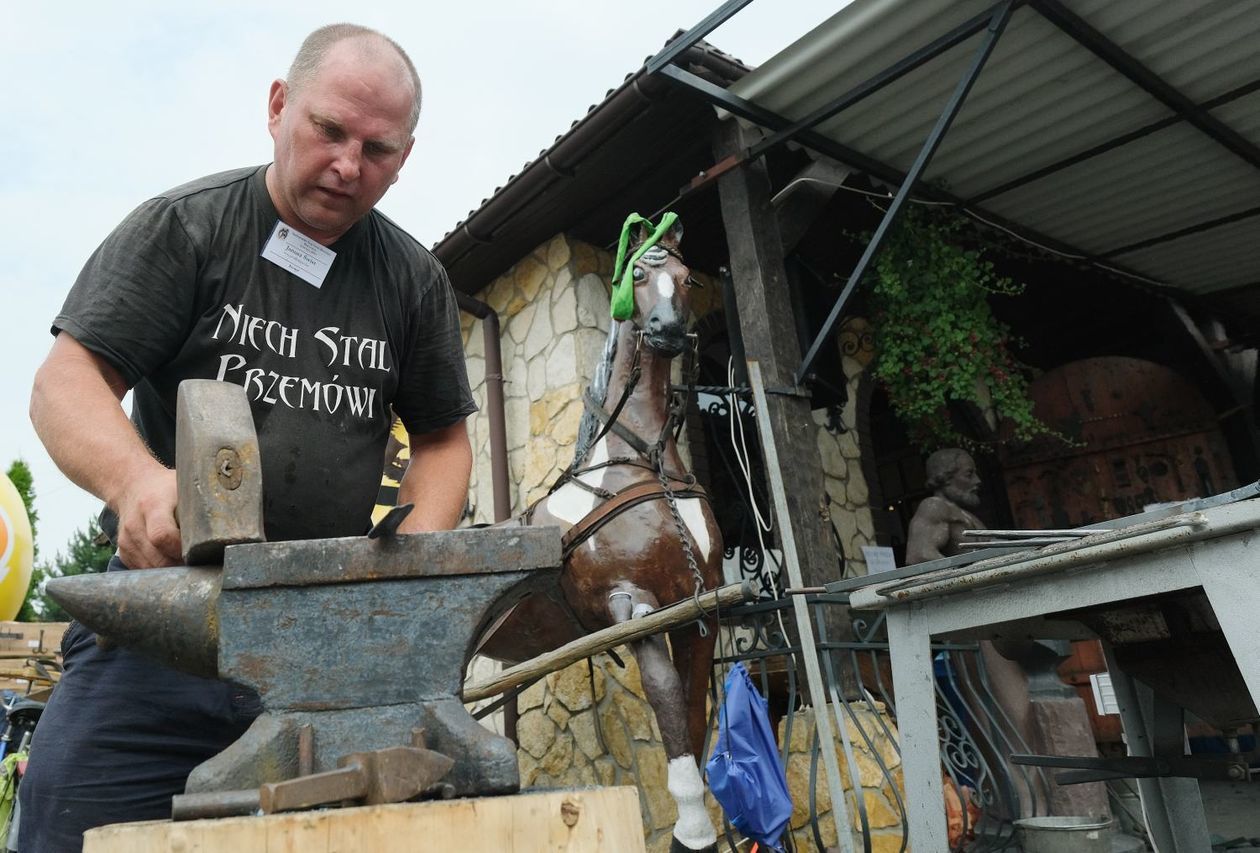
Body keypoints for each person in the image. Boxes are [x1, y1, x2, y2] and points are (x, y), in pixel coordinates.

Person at [22, 23, 475, 851]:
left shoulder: (414, 283)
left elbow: (444, 439)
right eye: (329, 131)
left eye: (376, 149)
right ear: (278, 107)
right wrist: (134, 482)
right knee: (63, 821)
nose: (347, 165)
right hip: (166, 619)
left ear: (405, 158)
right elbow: (67, 381)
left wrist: (411, 568)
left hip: (325, 644)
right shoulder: (186, 231)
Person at [905, 447, 983, 564]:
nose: (977, 480)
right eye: (969, 474)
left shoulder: (967, 515)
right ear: (944, 478)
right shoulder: (933, 507)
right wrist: (965, 577)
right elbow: (919, 555)